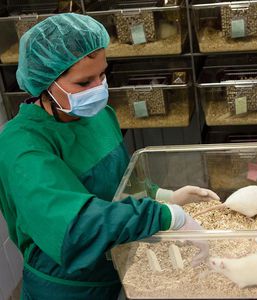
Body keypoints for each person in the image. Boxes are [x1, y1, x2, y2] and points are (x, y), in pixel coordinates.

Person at [0, 13, 219, 300]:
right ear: (46, 83)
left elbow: (120, 182)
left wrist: (163, 195)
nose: (98, 89)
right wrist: (166, 216)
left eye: (102, 75)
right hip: (66, 286)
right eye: (83, 83)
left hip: (118, 266)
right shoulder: (21, 146)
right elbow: (75, 228)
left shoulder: (99, 115)